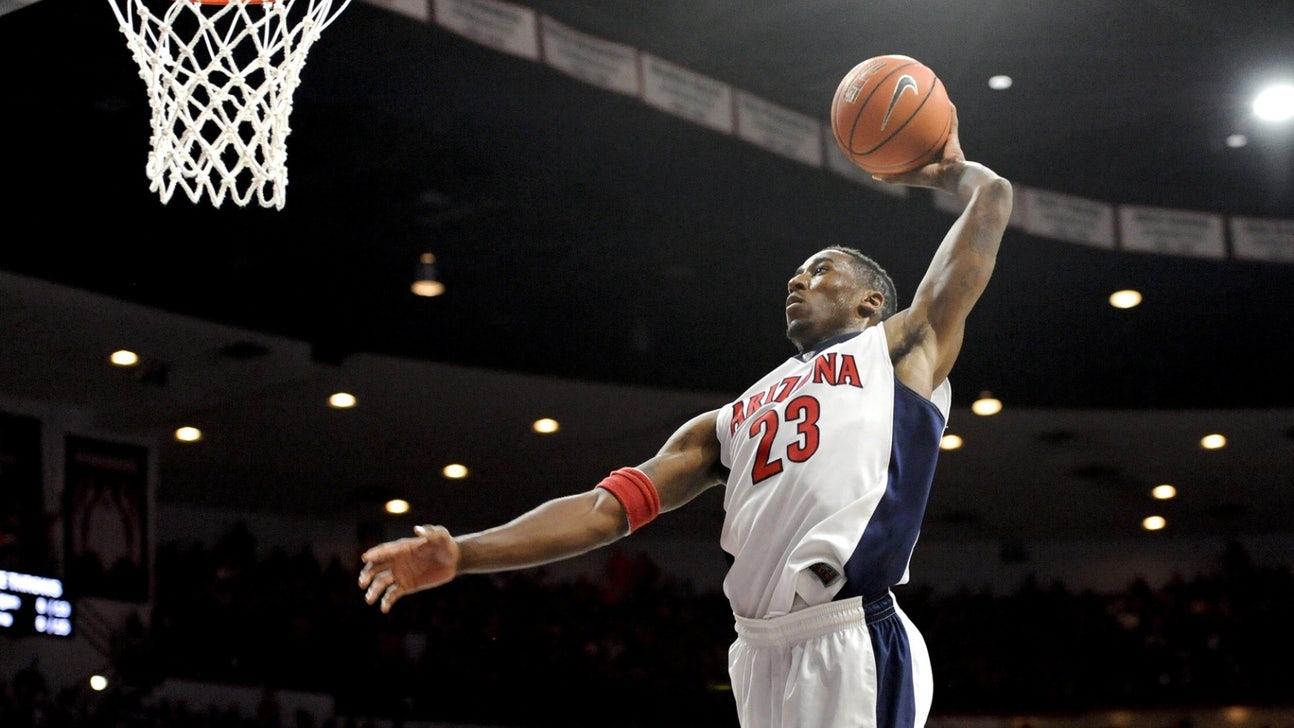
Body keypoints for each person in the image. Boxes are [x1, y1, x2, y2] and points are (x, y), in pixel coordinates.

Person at [358, 105, 1012, 728]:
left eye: (819, 271)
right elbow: (602, 512)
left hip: (847, 634)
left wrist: (951, 169)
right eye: (795, 274)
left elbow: (991, 210)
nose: (797, 281)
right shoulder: (729, 420)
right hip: (757, 650)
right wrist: (464, 555)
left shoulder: (899, 350)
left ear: (872, 302)